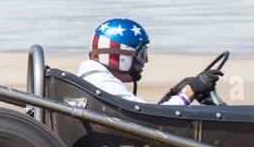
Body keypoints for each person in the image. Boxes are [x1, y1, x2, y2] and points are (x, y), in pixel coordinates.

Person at [78, 18, 222, 105]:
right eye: (141, 55)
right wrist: (190, 91)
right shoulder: (103, 84)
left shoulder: (92, 79)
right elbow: (149, 121)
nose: (145, 62)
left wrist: (172, 95)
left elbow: (144, 114)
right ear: (121, 57)